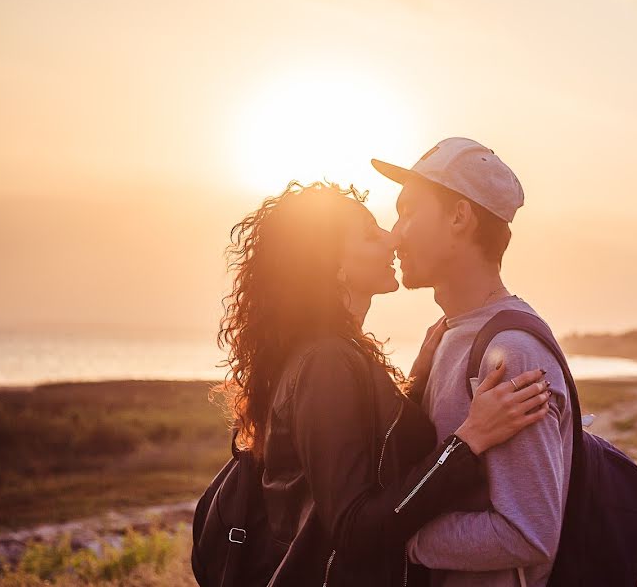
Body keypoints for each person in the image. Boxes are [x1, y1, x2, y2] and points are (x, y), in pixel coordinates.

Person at [211, 180, 555, 586]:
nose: (393, 237)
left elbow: (365, 451)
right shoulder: (326, 362)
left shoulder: (334, 354)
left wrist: (417, 381)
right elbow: (355, 528)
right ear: (333, 263)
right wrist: (467, 442)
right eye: (372, 236)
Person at [371, 137, 573, 587]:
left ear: (459, 216)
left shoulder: (513, 353)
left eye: (409, 211)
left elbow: (529, 534)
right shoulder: (448, 332)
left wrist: (396, 535)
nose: (395, 232)